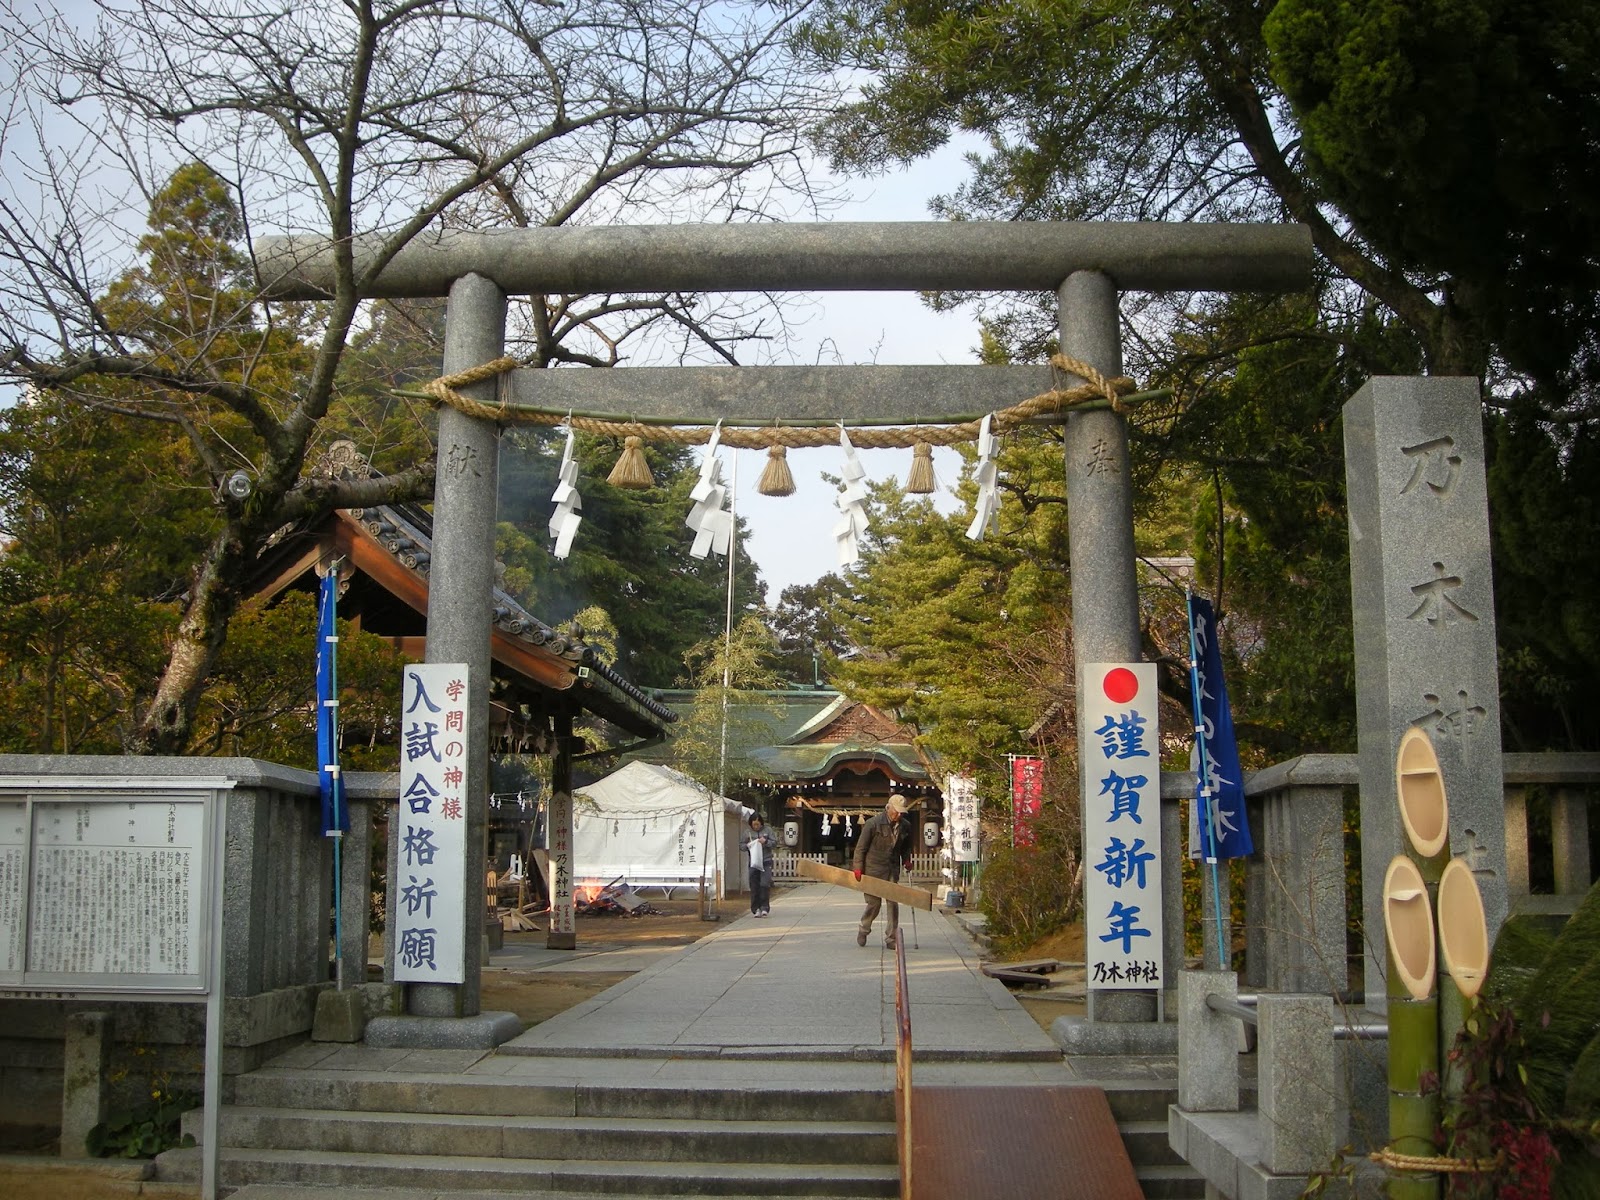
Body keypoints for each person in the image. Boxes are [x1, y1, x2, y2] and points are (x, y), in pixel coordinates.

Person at [853, 794, 914, 947]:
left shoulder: (905, 825)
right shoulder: (873, 824)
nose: (899, 815)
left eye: (901, 812)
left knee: (893, 904)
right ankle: (864, 929)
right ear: (888, 808)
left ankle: (891, 938)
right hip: (873, 869)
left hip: (891, 869)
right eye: (896, 811)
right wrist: (858, 868)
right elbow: (860, 848)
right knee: (874, 904)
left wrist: (906, 859)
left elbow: (906, 847)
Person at [743, 814, 775, 917]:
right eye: (754, 825)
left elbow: (774, 843)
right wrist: (748, 845)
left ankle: (764, 907)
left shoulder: (768, 830)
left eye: (758, 824)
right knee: (754, 885)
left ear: (761, 823)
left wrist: (766, 842)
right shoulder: (747, 832)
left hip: (766, 861)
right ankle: (755, 908)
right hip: (753, 862)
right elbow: (741, 845)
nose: (756, 827)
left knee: (764, 884)